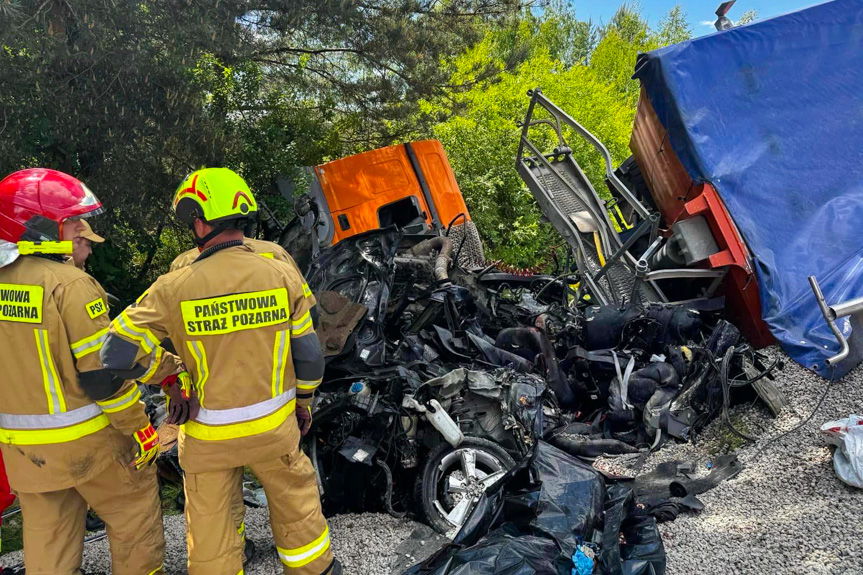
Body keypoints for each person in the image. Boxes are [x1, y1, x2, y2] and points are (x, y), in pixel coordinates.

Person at [101, 167, 339, 575]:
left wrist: (169, 374)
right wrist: (303, 402)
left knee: (210, 529)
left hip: (208, 435)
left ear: (198, 219)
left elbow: (115, 352)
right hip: (273, 427)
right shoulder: (280, 271)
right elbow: (310, 356)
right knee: (298, 510)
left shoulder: (174, 285)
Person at [0, 168, 167, 574]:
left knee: (48, 539)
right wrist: (138, 426)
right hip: (88, 443)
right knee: (134, 512)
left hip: (24, 449)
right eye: (73, 222)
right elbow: (102, 374)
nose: (82, 232)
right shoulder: (70, 285)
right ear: (39, 226)